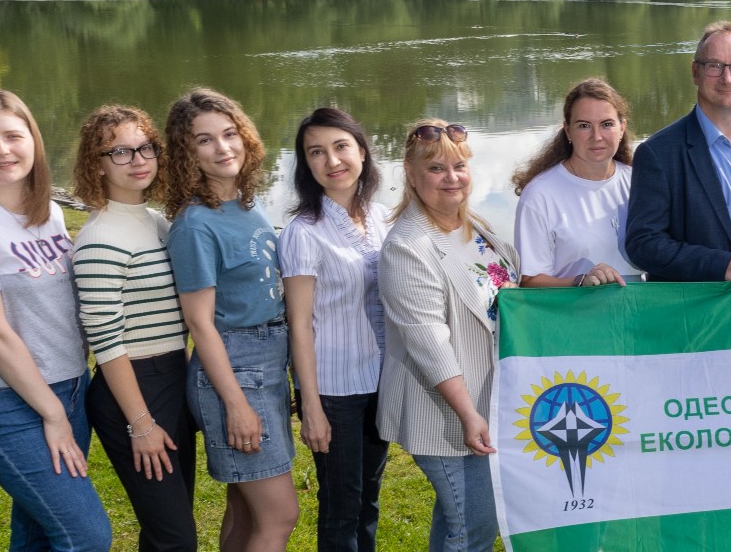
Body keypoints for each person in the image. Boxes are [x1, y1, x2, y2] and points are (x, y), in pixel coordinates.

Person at [0, 89, 112, 551]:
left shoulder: (48, 212)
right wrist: (52, 414)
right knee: (85, 535)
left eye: (13, 136)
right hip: (3, 401)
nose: (3, 151)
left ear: (33, 139)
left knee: (38, 531)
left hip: (68, 386)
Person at [161, 88, 297, 552]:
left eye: (229, 134)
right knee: (280, 516)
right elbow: (200, 325)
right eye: (204, 141)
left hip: (266, 360)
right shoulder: (196, 225)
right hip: (236, 368)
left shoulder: (246, 203)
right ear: (186, 153)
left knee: (245, 508)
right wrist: (236, 404)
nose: (223, 148)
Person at [378, 119, 518, 552]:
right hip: (445, 410)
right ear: (412, 176)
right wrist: (469, 414)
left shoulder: (472, 226)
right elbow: (429, 342)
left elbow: (509, 291)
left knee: (460, 516)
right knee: (473, 526)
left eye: (459, 166)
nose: (452, 178)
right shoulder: (408, 246)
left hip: (486, 397)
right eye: (437, 169)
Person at [71, 105, 197, 552]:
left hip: (173, 380)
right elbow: (106, 343)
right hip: (134, 391)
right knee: (176, 539)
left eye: (145, 147)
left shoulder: (159, 223)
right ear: (96, 164)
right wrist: (141, 424)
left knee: (168, 530)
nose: (138, 159)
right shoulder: (100, 240)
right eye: (120, 151)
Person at [278, 108, 390, 552]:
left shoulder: (384, 218)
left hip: (381, 381)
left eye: (341, 146)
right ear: (306, 166)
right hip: (334, 389)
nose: (332, 160)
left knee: (370, 499)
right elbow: (299, 324)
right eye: (316, 153)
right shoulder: (304, 232)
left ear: (361, 151)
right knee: (342, 506)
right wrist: (311, 405)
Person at [624, 20, 731, 282]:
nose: (727, 78)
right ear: (695, 72)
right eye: (715, 66)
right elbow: (642, 244)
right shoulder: (659, 153)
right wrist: (722, 265)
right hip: (706, 313)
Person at [512, 78, 640, 287]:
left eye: (607, 124)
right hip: (575, 316)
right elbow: (529, 281)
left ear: (622, 128)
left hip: (638, 315)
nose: (596, 136)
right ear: (568, 131)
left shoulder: (639, 182)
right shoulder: (540, 194)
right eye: (584, 126)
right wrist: (580, 282)